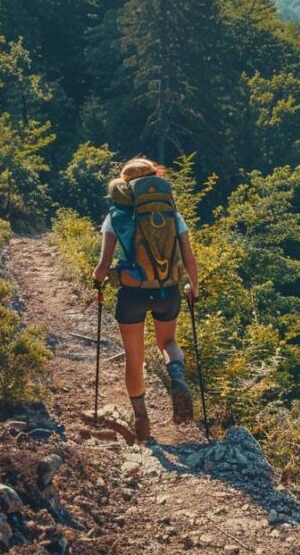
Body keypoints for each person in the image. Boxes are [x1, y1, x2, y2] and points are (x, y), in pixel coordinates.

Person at [91, 157, 199, 441]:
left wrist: (98, 281)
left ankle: (142, 423)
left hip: (131, 294)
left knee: (134, 358)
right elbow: (189, 258)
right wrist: (192, 286)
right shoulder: (172, 215)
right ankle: (176, 376)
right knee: (167, 343)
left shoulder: (115, 216)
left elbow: (102, 267)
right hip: (168, 291)